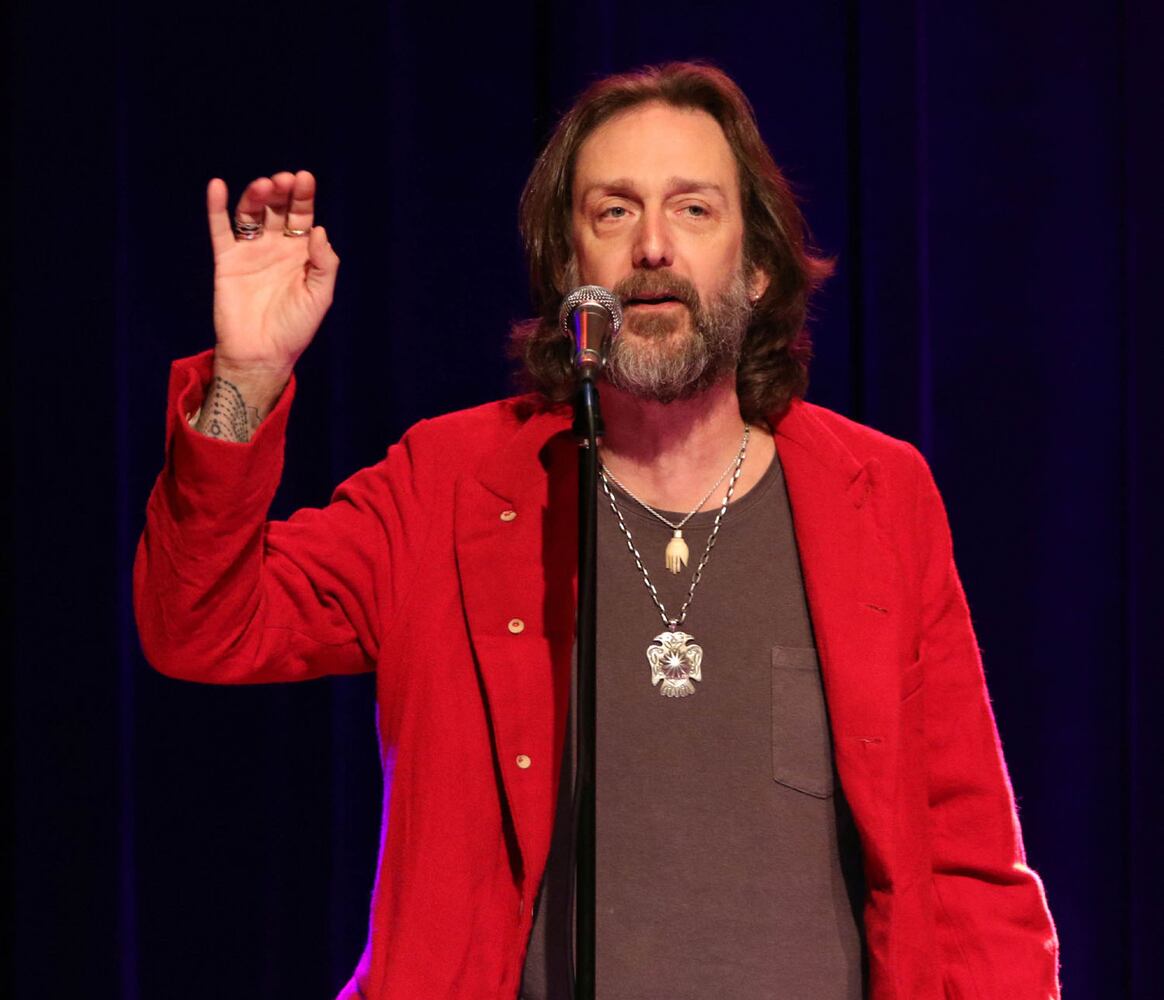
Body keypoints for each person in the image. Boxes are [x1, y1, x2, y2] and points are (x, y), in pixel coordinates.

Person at [135, 62, 1059, 999]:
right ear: (569, 270)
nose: (653, 246)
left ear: (758, 266)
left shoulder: (878, 495)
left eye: (693, 209)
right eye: (614, 212)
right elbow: (202, 624)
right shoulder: (447, 486)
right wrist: (245, 381)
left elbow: (968, 863)